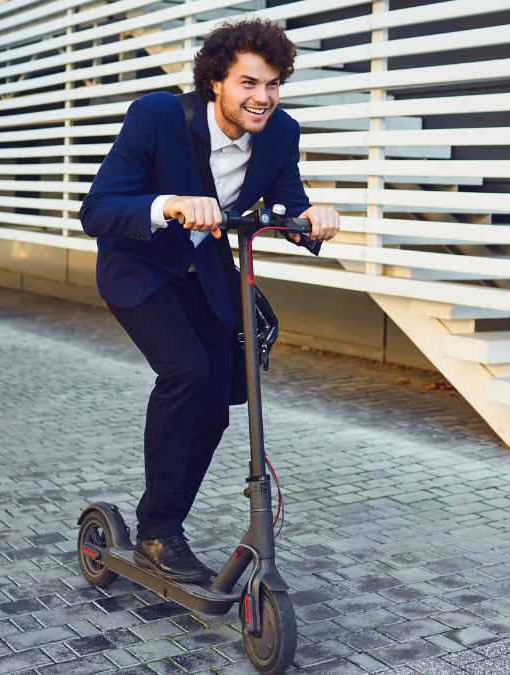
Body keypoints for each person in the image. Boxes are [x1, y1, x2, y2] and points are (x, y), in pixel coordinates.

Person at [78, 18, 340, 583]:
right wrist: (169, 204)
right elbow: (97, 210)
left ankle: (164, 519)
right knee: (187, 372)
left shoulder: (280, 132)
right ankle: (157, 533)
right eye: (249, 83)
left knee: (218, 397)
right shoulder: (157, 116)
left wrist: (312, 219)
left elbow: (287, 205)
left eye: (273, 84)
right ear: (217, 81)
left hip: (206, 275)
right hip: (140, 270)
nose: (263, 97)